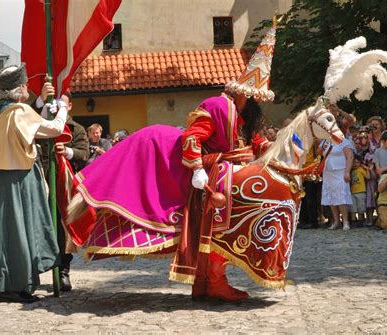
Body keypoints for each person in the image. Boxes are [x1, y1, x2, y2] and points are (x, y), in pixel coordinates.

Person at [70, 26, 277, 303]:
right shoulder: (219, 106)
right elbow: (192, 139)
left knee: (221, 224)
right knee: (222, 223)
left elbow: (254, 144)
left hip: (221, 173)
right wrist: (198, 171)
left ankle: (208, 282)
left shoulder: (244, 117)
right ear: (244, 93)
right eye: (254, 97)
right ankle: (214, 280)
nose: (257, 103)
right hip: (195, 170)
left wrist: (280, 150)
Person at [0, 64, 68, 303]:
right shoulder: (20, 111)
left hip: (1, 180)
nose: (27, 88)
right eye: (24, 85)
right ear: (19, 89)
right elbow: (54, 129)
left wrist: (43, 105)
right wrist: (63, 107)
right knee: (21, 233)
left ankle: (7, 284)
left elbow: (30, 130)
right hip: (21, 178)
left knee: (8, 233)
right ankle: (18, 286)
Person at [34, 84, 89, 291]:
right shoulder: (41, 123)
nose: (56, 107)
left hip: (66, 185)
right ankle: (38, 270)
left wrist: (68, 152)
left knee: (65, 231)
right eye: (53, 102)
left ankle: (64, 270)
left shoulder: (77, 129)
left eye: (61, 103)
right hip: (42, 183)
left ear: (70, 106)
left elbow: (84, 154)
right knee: (41, 225)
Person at [321, 122, 354, 231]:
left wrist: (347, 172)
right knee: (331, 196)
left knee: (341, 196)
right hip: (328, 171)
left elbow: (350, 157)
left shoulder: (343, 142)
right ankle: (336, 221)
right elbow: (320, 154)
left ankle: (345, 221)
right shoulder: (326, 142)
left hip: (340, 171)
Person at [348, 154, 370, 225]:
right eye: (354, 162)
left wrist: (367, 169)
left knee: (361, 207)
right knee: (353, 208)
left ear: (360, 163)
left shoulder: (361, 170)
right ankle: (353, 221)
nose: (355, 164)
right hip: (352, 192)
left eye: (357, 162)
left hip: (361, 191)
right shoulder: (350, 171)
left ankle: (360, 221)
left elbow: (368, 177)